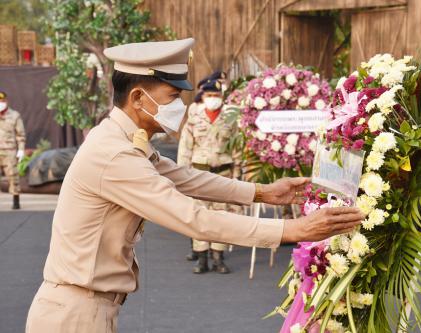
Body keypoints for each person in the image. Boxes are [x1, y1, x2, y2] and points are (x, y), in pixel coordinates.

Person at [25, 38, 364, 332]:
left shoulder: (125, 139)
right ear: (139, 97)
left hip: (86, 307)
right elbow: (194, 219)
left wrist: (263, 192)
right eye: (172, 95)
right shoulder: (115, 154)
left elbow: (185, 177)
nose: (180, 106)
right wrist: (294, 230)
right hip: (75, 314)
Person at [178, 71, 239, 274]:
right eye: (209, 96)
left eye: (216, 96)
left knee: (221, 216)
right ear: (202, 96)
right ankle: (201, 257)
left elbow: (238, 149)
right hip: (199, 174)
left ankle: (218, 257)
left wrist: (239, 174)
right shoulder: (194, 119)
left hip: (222, 174)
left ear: (221, 97)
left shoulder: (230, 119)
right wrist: (181, 176)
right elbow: (185, 148)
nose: (212, 99)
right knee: (199, 216)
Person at [0, 91, 25, 210]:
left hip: (9, 151)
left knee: (13, 176)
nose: (1, 103)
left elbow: (20, 135)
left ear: (6, 101)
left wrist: (21, 150)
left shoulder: (14, 115)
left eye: (2, 101)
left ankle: (16, 200)